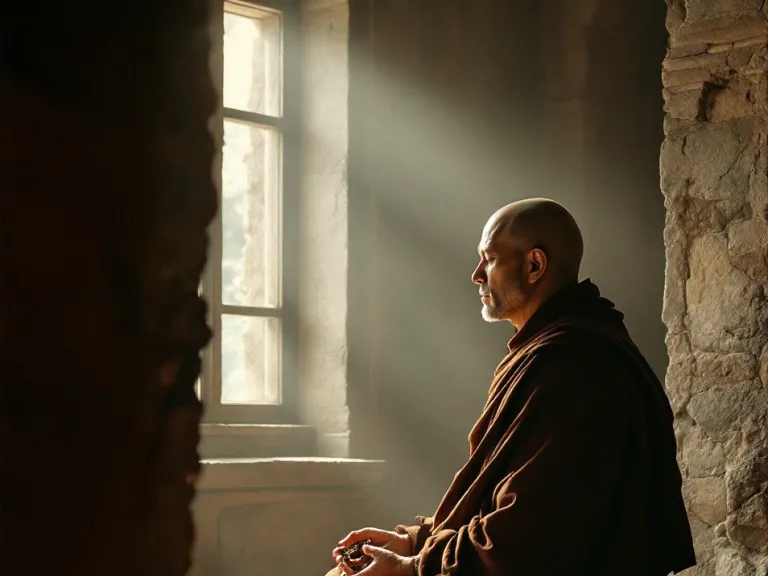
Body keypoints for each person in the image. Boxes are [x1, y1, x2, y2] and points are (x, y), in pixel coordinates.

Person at [329, 198, 696, 576]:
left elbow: (531, 532)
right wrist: (415, 542)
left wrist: (410, 567)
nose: (476, 274)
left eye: (489, 258)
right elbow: (503, 498)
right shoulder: (562, 347)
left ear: (534, 265)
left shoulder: (575, 365)